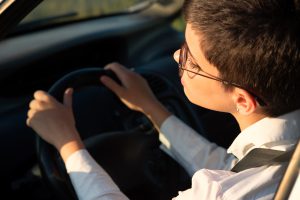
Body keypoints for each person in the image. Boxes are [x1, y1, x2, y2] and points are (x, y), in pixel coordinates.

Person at [26, 0, 300, 199]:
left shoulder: (222, 194)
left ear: (242, 100)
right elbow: (232, 166)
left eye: (190, 60)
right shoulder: (285, 150)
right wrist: (152, 108)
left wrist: (68, 143)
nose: (174, 57)